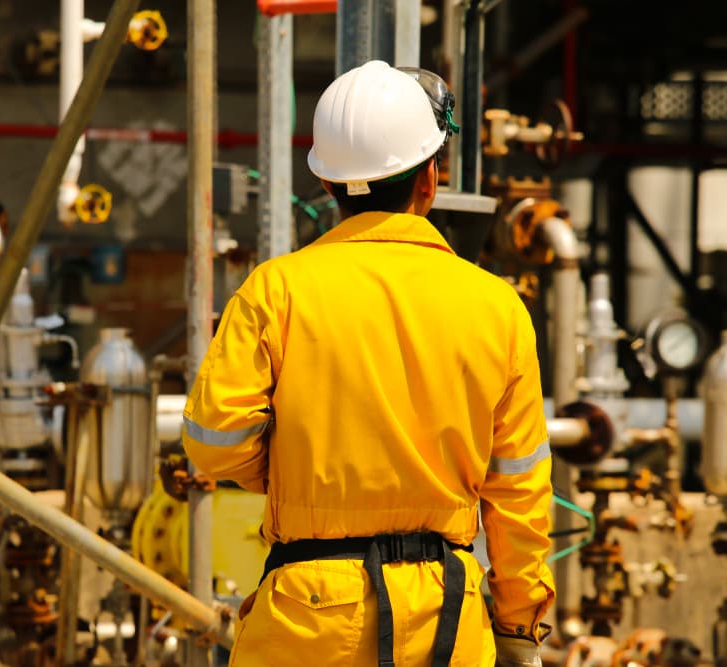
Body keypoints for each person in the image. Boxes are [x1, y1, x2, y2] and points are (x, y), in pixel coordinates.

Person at [181, 60, 555, 667]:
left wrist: (302, 479)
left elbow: (214, 442)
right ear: (430, 179)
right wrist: (518, 626)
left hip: (308, 613)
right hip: (448, 615)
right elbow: (519, 488)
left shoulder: (276, 290)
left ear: (327, 186)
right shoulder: (496, 307)